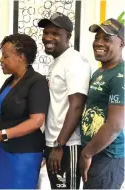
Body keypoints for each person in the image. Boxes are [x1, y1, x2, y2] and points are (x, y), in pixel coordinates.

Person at [0, 33, 50, 189]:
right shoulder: (10, 80)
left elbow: (36, 121)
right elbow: (2, 113)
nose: (1, 60)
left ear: (21, 57)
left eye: (5, 56)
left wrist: (1, 135)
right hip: (4, 152)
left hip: (24, 154)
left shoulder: (37, 81)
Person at [38, 12, 92, 189]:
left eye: (55, 33)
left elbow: (77, 106)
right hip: (54, 142)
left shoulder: (75, 62)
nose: (48, 37)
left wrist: (60, 146)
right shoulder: (57, 62)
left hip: (68, 145)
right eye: (46, 33)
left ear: (68, 36)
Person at [79, 18, 124, 189]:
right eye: (97, 38)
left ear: (121, 43)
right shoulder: (100, 71)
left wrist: (86, 154)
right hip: (94, 152)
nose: (98, 42)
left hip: (108, 156)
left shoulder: (121, 75)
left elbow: (115, 125)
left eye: (106, 38)